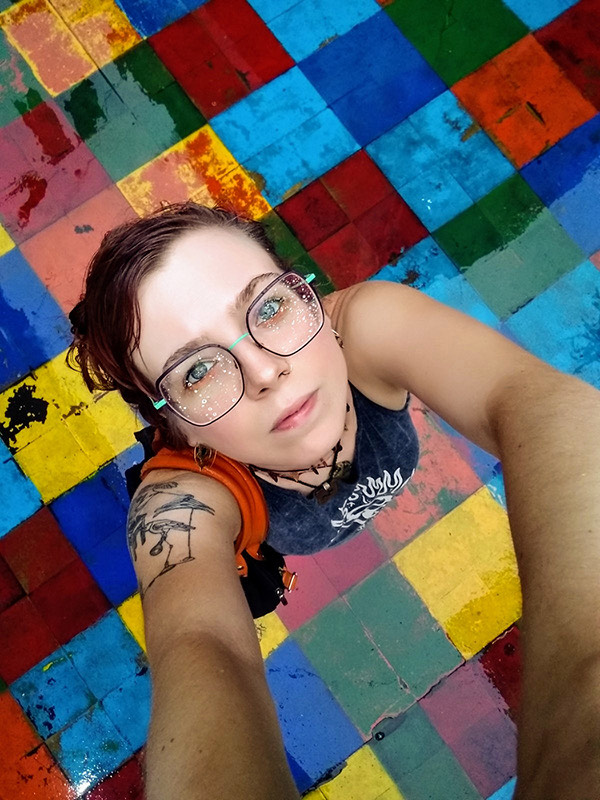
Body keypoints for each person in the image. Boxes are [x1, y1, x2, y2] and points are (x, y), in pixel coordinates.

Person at [68, 202, 600, 800]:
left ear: (309, 298)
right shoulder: (182, 498)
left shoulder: (366, 327)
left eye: (269, 308)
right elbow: (198, 643)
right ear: (172, 425)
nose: (265, 371)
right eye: (196, 373)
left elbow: (537, 405)